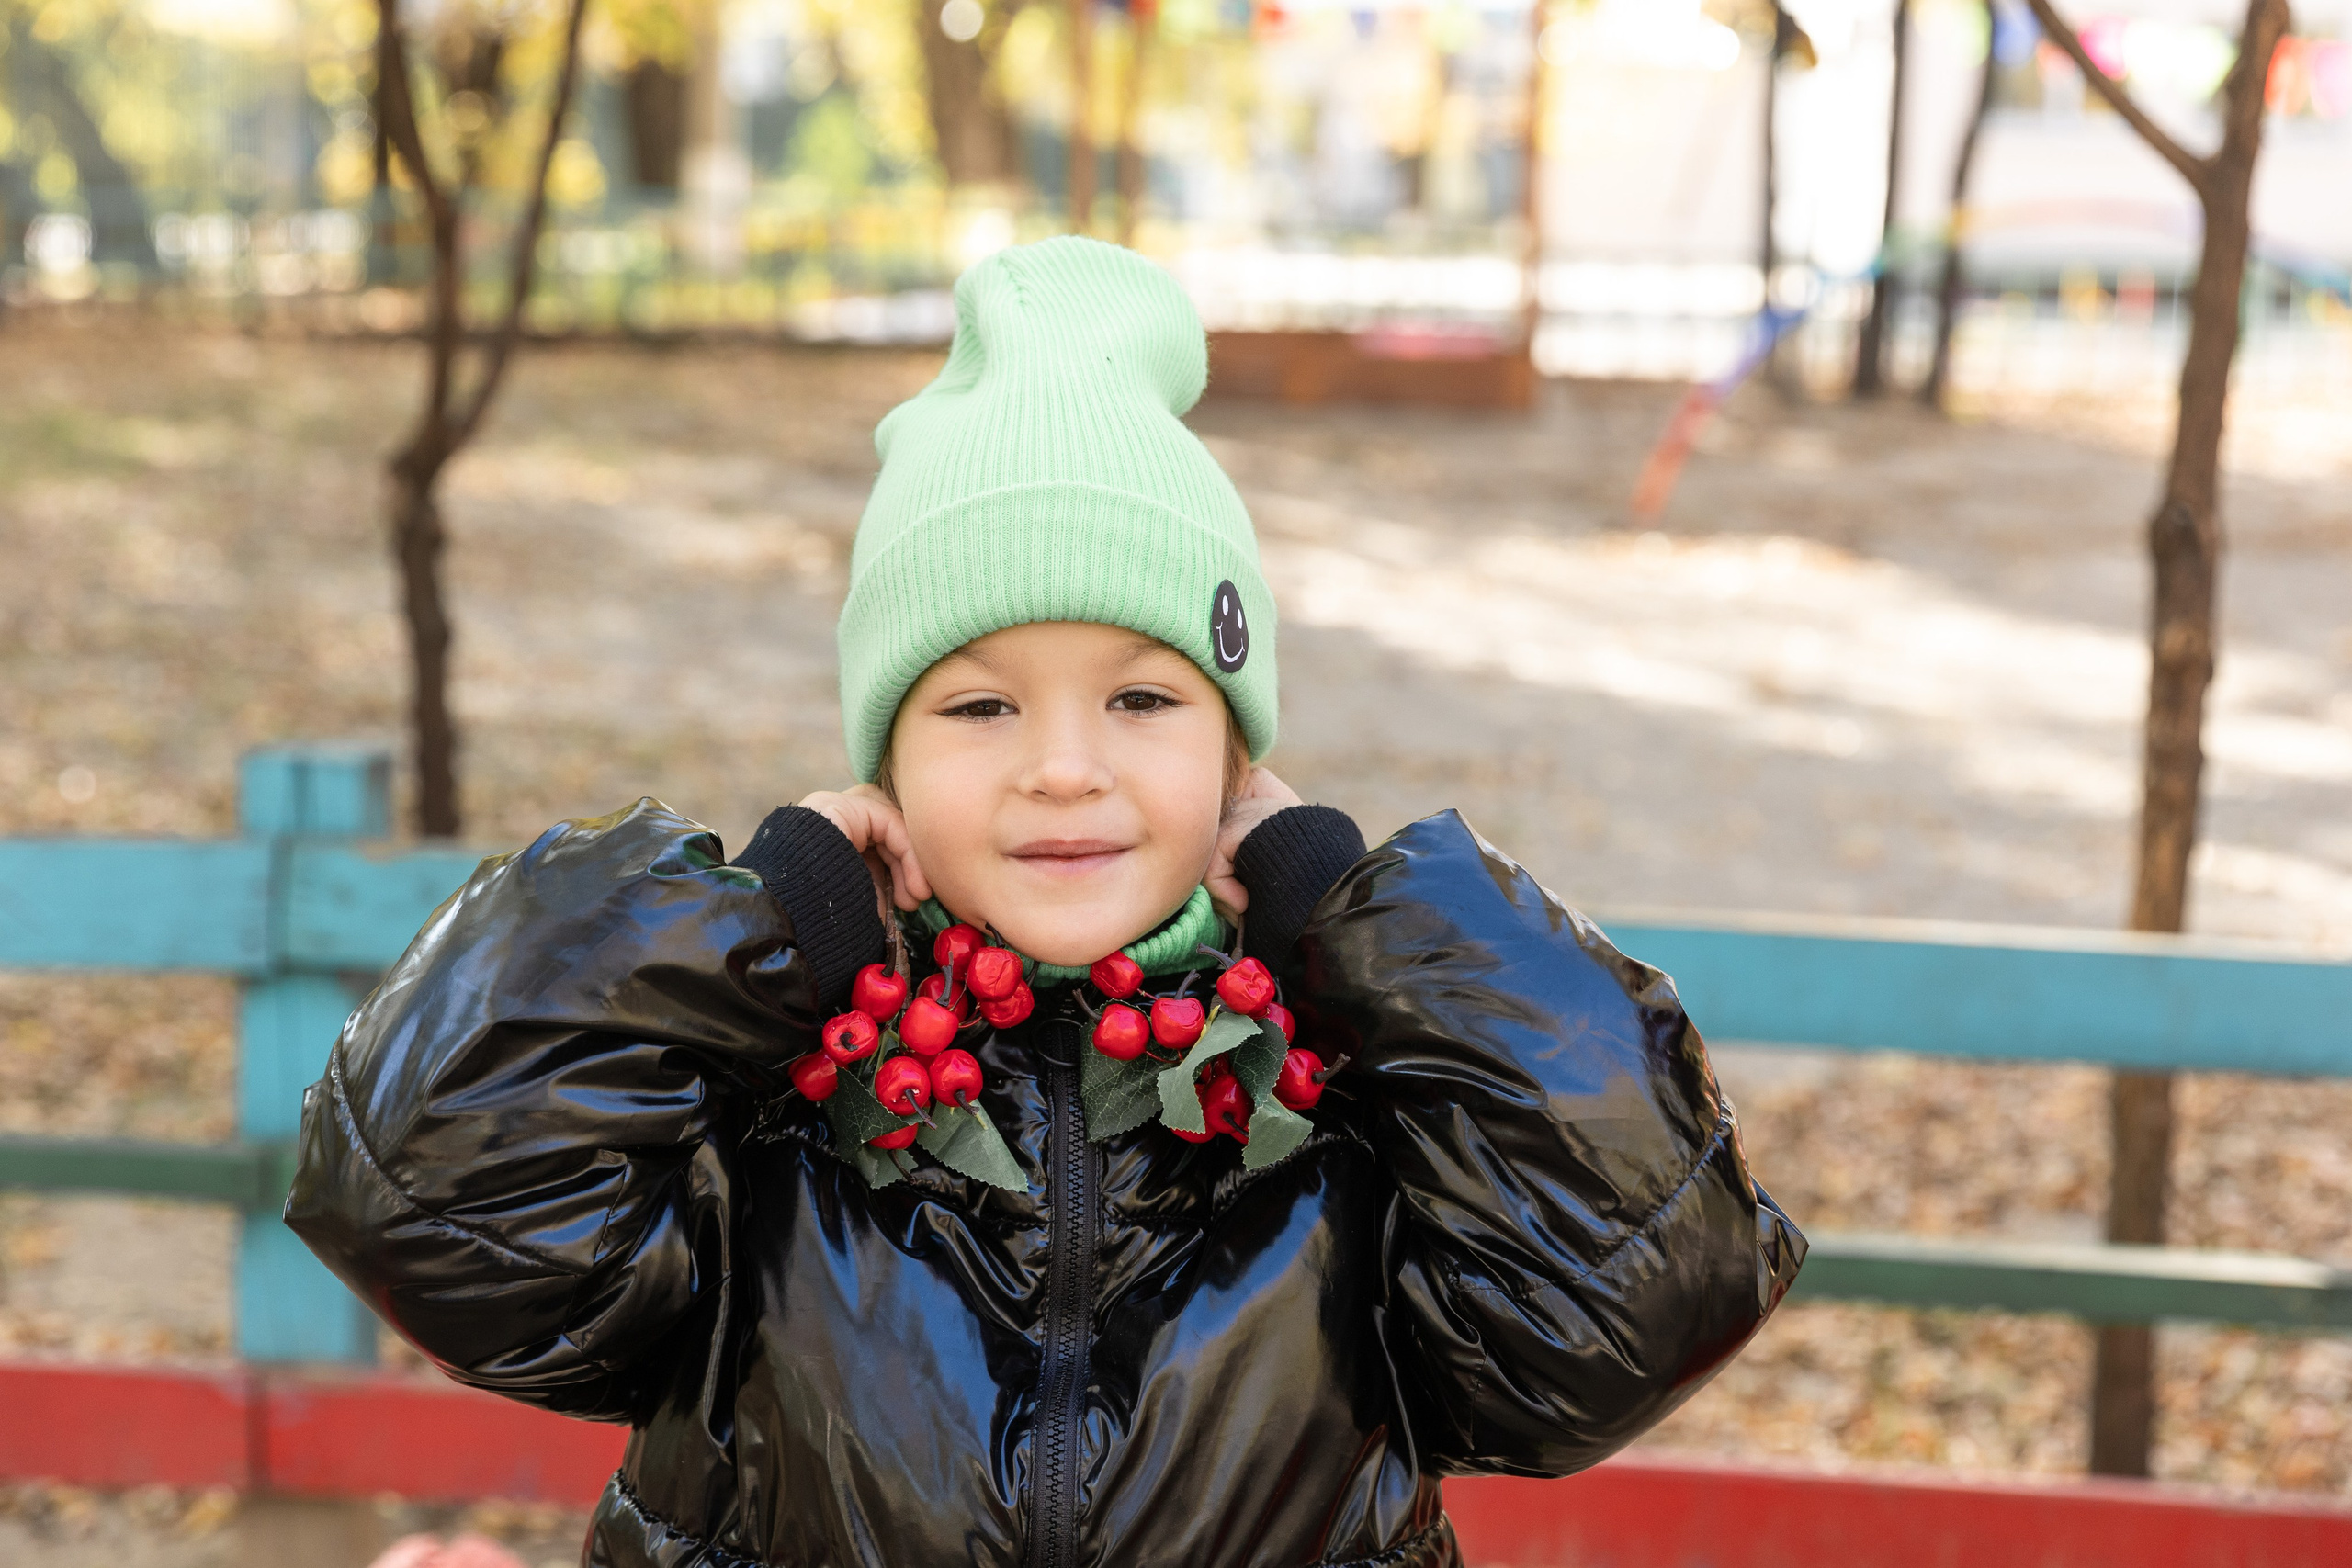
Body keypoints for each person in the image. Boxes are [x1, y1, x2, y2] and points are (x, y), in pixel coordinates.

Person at [288, 236, 1804, 1568]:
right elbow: (426, 1202)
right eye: (979, 710)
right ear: (880, 757)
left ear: (1239, 753)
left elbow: (1640, 1296)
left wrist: (1361, 925)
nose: (1064, 770)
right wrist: (754, 925)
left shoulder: (1348, 1100)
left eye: (1144, 699)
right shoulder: (763, 1104)